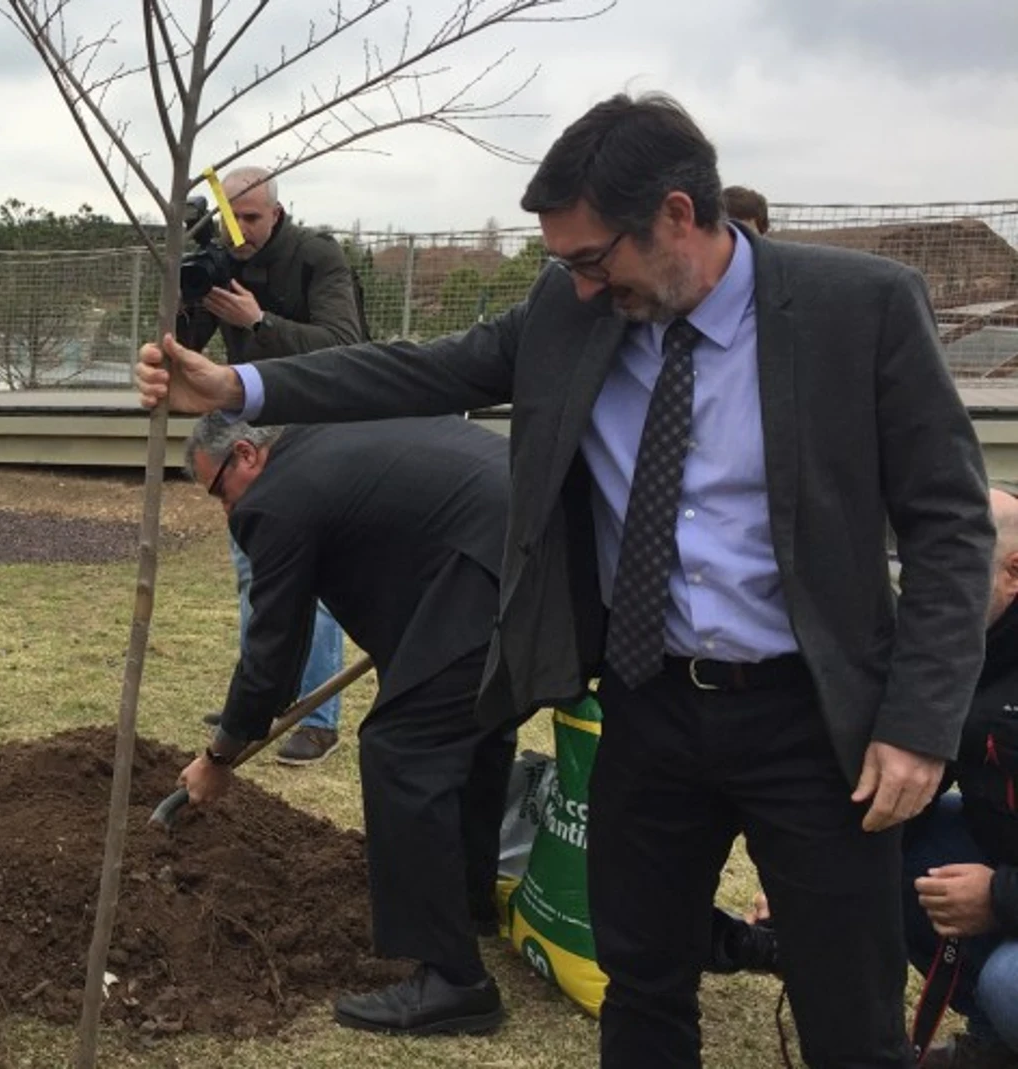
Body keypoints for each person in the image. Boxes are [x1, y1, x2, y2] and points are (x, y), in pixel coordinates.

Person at [137, 91, 993, 1068]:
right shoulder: (570, 307)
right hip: (649, 707)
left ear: (678, 215)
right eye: (564, 266)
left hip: (814, 720)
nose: (580, 288)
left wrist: (920, 722)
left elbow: (950, 522)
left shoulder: (859, 308)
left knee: (850, 1018)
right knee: (642, 985)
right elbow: (426, 369)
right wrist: (242, 386)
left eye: (593, 259)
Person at [179, 411, 519, 1033]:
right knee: (473, 734)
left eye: (218, 491)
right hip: (519, 548)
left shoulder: (276, 498)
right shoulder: (325, 443)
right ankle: (469, 908)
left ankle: (454, 982)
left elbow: (274, 649)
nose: (226, 512)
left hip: (486, 564)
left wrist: (220, 756)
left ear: (248, 456)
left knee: (403, 750)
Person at [180, 166, 366, 764]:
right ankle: (258, 702)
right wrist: (182, 282)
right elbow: (185, 341)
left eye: (252, 219)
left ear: (276, 213)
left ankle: (316, 716)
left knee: (312, 574)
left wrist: (259, 323)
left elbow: (346, 345)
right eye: (230, 222)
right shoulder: (222, 259)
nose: (241, 234)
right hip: (252, 426)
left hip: (320, 426)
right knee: (251, 564)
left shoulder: (317, 257)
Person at [903, 486, 1018, 1068]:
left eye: (950, 567)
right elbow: (916, 781)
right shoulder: (971, 648)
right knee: (903, 850)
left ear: (1013, 572)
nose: (926, 589)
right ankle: (999, 1043)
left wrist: (1000, 896)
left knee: (1009, 982)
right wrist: (811, 872)